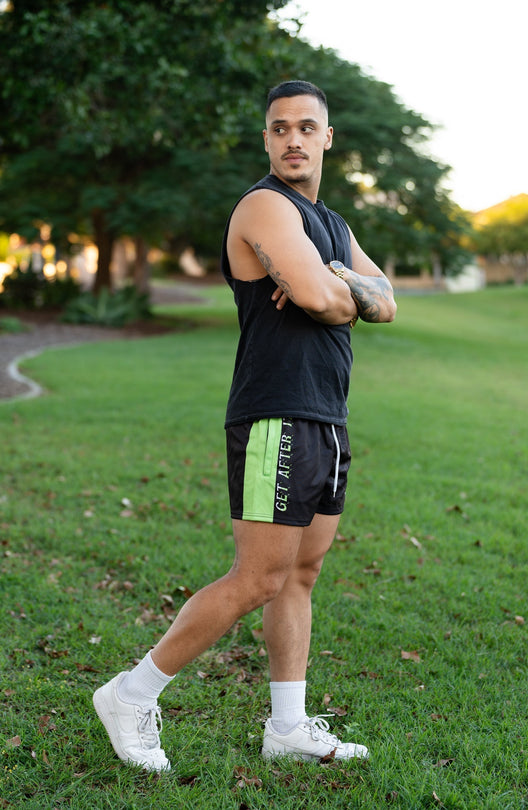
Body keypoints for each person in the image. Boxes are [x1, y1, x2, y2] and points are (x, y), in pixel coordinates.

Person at [93, 79, 397, 771]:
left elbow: (387, 301)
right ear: (267, 138)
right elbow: (337, 296)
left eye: (306, 127)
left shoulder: (335, 225)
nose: (293, 138)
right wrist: (337, 286)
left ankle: (287, 727)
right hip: (276, 413)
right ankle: (132, 694)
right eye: (280, 127)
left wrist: (333, 281)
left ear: (327, 138)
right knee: (259, 577)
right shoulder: (264, 206)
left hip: (326, 414)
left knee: (301, 575)